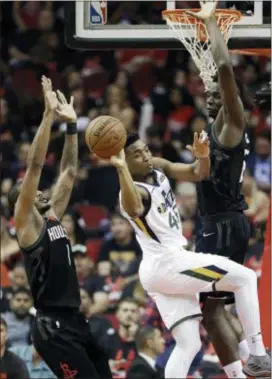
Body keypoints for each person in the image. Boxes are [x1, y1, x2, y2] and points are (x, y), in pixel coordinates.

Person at [97, 127, 271, 378]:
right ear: (124, 161)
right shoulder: (130, 193)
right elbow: (134, 207)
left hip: (160, 269)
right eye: (137, 155)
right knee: (245, 278)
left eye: (145, 150)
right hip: (168, 263)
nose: (145, 156)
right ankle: (256, 355)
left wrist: (202, 156)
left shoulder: (154, 166)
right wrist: (120, 167)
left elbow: (198, 173)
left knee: (189, 345)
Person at [7, 76, 112, 379]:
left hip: (75, 320)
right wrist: (47, 115)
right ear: (20, 204)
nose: (40, 192)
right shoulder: (27, 225)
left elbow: (68, 171)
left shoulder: (53, 214)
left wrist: (70, 127)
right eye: (30, 191)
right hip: (52, 327)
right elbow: (35, 167)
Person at [186, 2, 264, 377]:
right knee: (217, 306)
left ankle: (251, 364)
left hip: (220, 224)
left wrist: (212, 25)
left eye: (219, 95)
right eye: (209, 95)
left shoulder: (232, 122)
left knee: (211, 309)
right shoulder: (219, 130)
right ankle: (254, 359)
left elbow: (224, 68)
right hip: (226, 220)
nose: (212, 98)